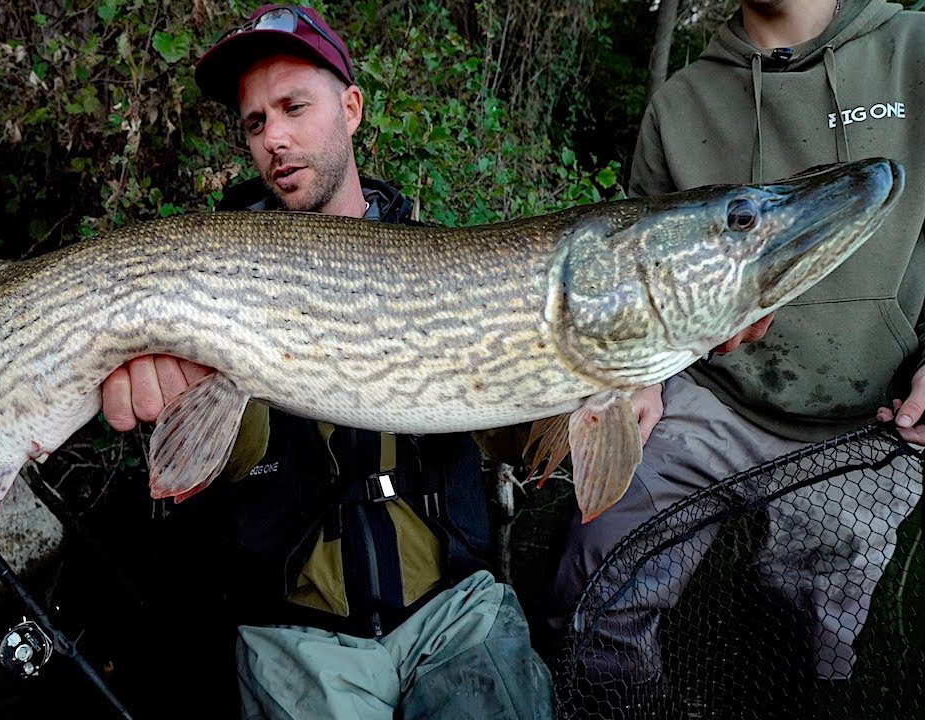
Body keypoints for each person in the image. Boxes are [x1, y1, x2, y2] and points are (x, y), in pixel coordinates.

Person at [99, 5, 555, 719]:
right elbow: (214, 462)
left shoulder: (443, 256)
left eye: (292, 107)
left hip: (454, 610)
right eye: (254, 123)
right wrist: (176, 398)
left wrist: (602, 389)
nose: (273, 137)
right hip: (299, 637)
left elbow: (516, 437)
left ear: (350, 108)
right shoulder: (215, 270)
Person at [547, 0, 925, 697]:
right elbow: (635, 267)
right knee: (598, 581)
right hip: (713, 393)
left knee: (809, 643)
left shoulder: (914, 50)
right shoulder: (681, 101)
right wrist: (642, 379)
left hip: (868, 416)